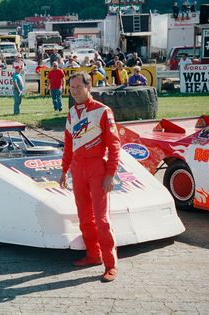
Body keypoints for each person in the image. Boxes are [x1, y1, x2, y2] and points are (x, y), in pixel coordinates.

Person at [59, 71, 120, 283]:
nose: (75, 91)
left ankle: (110, 265)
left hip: (97, 168)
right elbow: (68, 145)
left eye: (79, 87)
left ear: (89, 87)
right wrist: (64, 170)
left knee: (101, 219)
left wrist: (110, 174)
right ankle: (93, 255)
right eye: (72, 88)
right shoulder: (71, 113)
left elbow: (114, 145)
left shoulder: (103, 111)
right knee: (84, 217)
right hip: (77, 168)